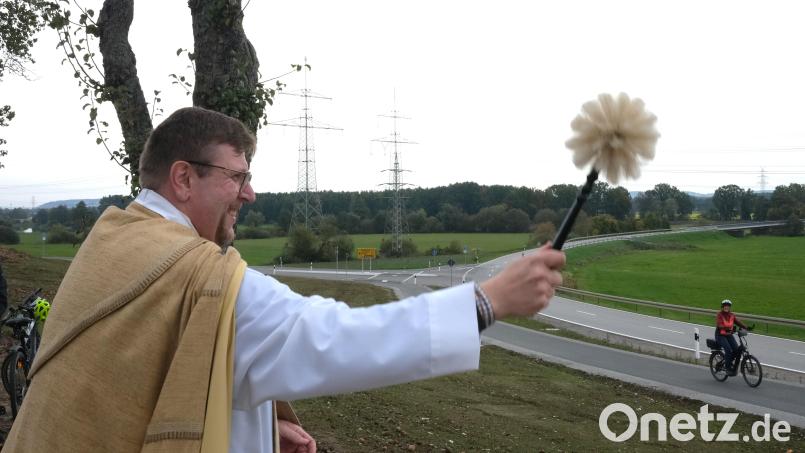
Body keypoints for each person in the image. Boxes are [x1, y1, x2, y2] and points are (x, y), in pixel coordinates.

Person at [4, 107, 565, 453]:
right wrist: (488, 301)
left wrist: (256, 429)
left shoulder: (113, 241)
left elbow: (144, 383)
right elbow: (338, 338)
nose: (249, 193)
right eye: (238, 176)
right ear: (182, 178)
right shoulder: (200, 276)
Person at [715, 299, 749, 376]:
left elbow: (738, 322)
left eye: (728, 306)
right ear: (722, 307)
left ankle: (730, 363)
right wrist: (727, 329)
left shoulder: (732, 315)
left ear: (729, 307)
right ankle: (727, 368)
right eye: (725, 306)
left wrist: (746, 327)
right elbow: (719, 325)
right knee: (728, 350)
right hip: (720, 335)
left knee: (737, 350)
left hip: (728, 335)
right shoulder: (719, 315)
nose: (726, 307)